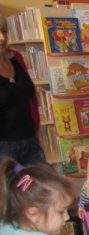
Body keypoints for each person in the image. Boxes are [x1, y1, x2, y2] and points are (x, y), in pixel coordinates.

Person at [0, 14, 46, 166]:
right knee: (13, 182)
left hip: (30, 141)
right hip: (4, 149)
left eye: (4, 31)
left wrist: (35, 129)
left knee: (42, 180)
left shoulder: (16, 58)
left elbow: (30, 98)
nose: (2, 38)